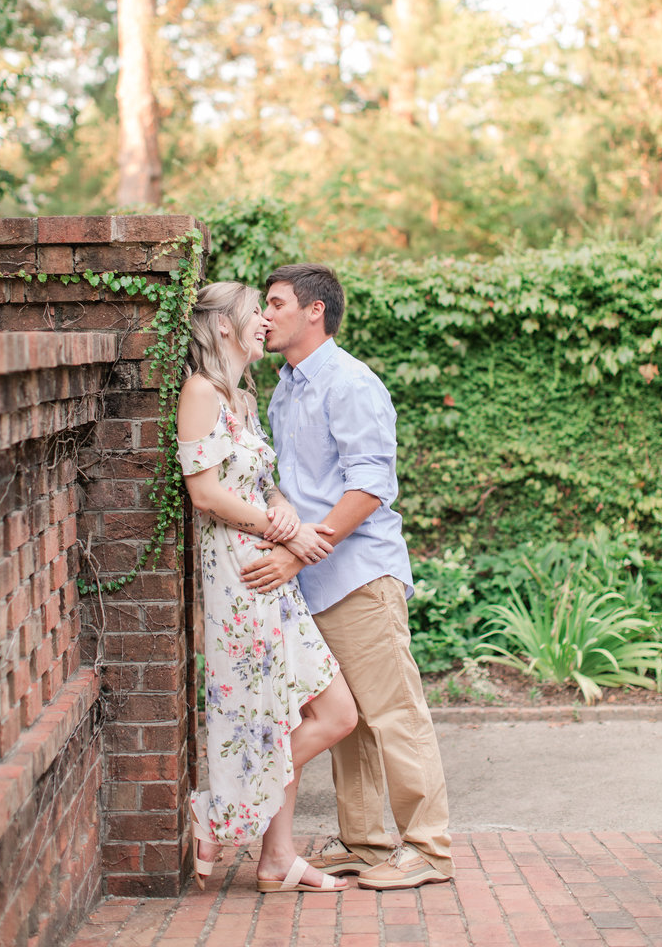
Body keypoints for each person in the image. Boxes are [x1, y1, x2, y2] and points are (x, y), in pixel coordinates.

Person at [241, 264, 454, 891]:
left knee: (394, 712)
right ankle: (364, 841)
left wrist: (299, 553)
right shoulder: (285, 385)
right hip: (316, 580)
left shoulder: (350, 382)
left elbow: (370, 487)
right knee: (350, 718)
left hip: (358, 575)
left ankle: (429, 848)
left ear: (314, 311)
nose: (264, 315)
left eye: (275, 303)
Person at [176, 281, 357, 894]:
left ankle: (264, 846)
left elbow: (261, 481)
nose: (263, 322)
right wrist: (282, 531)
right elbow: (205, 493)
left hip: (269, 563)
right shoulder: (200, 393)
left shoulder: (242, 397)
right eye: (255, 312)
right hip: (240, 573)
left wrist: (285, 514)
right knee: (277, 711)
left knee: (324, 712)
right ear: (224, 326)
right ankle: (238, 824)